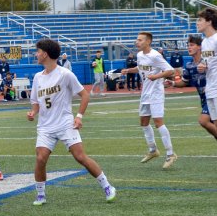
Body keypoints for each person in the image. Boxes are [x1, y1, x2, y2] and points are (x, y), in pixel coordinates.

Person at [27, 39, 116, 206]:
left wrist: (79, 116)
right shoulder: (38, 77)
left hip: (65, 123)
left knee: (80, 157)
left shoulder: (65, 74)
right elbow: (36, 102)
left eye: (38, 51)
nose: (36, 54)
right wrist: (33, 112)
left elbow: (85, 95)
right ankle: (40, 194)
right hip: (45, 126)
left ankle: (107, 186)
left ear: (45, 54)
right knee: (40, 158)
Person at [120, 32, 177, 168]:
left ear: (148, 42)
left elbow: (171, 71)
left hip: (156, 93)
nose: (136, 42)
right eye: (137, 40)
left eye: (139, 40)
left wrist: (157, 76)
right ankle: (153, 150)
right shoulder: (140, 55)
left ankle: (170, 154)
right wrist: (128, 71)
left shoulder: (156, 55)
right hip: (145, 94)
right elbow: (140, 68)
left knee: (158, 122)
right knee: (144, 122)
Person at [165, 35, 217, 140]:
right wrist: (173, 83)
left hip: (214, 95)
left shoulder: (208, 60)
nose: (189, 48)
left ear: (200, 47)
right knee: (214, 128)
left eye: (192, 45)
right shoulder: (189, 65)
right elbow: (185, 82)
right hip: (204, 99)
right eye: (188, 45)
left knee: (204, 121)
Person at [197, 7, 217, 126]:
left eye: (200, 20)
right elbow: (206, 62)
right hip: (211, 88)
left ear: (209, 21)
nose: (197, 23)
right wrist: (202, 66)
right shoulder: (204, 42)